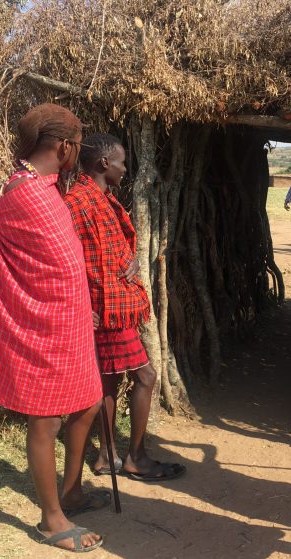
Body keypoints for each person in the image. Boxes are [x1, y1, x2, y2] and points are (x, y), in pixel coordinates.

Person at [0, 104, 106, 552]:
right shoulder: (28, 194)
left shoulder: (41, 186)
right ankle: (52, 520)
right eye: (75, 147)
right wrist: (74, 306)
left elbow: (62, 263)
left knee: (90, 401)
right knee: (45, 420)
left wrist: (81, 308)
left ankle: (71, 490)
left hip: (68, 322)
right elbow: (51, 268)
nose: (75, 154)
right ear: (63, 147)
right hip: (42, 325)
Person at [64, 133, 186, 482]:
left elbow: (111, 250)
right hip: (105, 312)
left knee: (110, 380)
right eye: (121, 161)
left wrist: (129, 261)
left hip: (111, 307)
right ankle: (135, 457)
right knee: (145, 377)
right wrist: (79, 302)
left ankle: (107, 455)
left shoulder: (99, 199)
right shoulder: (79, 202)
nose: (125, 167)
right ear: (104, 164)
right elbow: (71, 261)